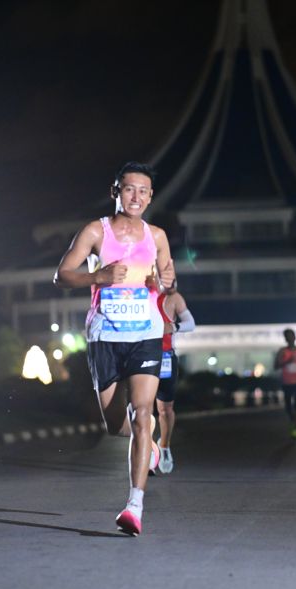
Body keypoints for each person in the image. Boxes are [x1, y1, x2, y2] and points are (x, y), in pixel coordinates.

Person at [53, 161, 175, 536]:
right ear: (116, 192)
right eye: (129, 189)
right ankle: (151, 446)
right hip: (105, 335)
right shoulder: (95, 231)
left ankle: (134, 506)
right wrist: (99, 276)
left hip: (145, 334)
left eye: (143, 191)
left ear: (150, 197)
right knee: (115, 425)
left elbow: (168, 281)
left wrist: (164, 282)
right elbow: (61, 275)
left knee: (142, 413)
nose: (136, 196)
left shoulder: (157, 236)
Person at [153, 289, 195, 474]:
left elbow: (190, 323)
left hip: (166, 357)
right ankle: (147, 450)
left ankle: (164, 446)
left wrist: (173, 327)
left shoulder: (172, 297)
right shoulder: (139, 292)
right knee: (141, 407)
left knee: (165, 409)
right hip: (141, 355)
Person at [274, 328, 296, 439]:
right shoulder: (282, 351)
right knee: (288, 405)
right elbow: (276, 366)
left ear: (295, 337)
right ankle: (293, 419)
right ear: (285, 339)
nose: (290, 338)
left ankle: (295, 428)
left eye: (292, 335)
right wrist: (286, 362)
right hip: (287, 381)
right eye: (288, 336)